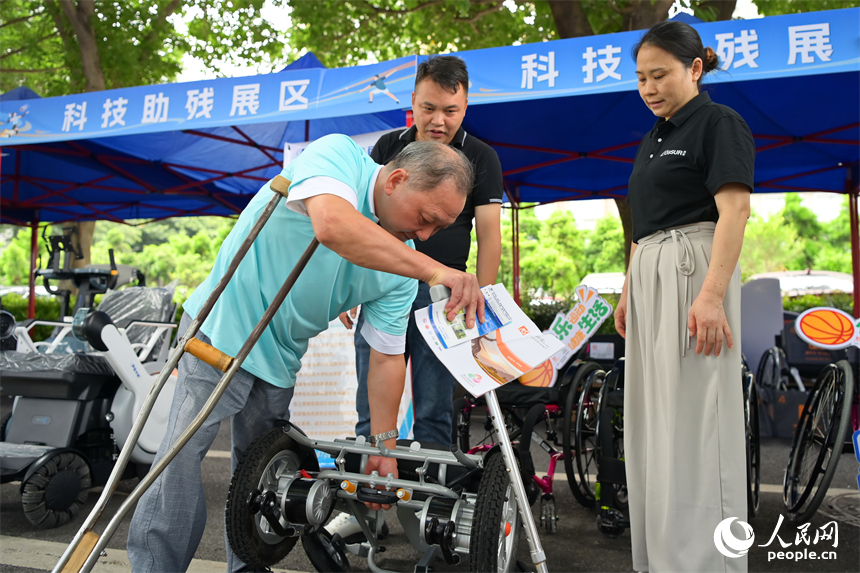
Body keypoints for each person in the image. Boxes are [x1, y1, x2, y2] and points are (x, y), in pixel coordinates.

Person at [126, 134, 483, 573]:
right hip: (221, 331)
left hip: (280, 358)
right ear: (396, 179)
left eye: (439, 230)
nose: (426, 235)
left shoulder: (400, 268)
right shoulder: (338, 157)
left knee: (259, 480)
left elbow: (386, 357)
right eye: (426, 217)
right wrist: (435, 270)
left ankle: (248, 569)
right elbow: (331, 224)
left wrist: (383, 446)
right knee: (178, 460)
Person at [614, 20, 755, 573]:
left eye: (660, 75)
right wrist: (629, 290)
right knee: (653, 422)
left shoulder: (719, 123)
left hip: (694, 272)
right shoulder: (656, 134)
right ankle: (664, 557)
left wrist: (712, 295)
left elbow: (735, 211)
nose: (648, 88)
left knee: (699, 422)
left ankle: (708, 562)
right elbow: (641, 226)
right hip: (650, 273)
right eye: (641, 78)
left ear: (695, 69)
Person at [343, 55, 503, 447]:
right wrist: (348, 282)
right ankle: (372, 485)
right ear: (412, 101)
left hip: (443, 295)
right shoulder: (388, 146)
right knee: (372, 404)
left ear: (465, 106)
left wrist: (478, 302)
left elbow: (489, 235)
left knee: (434, 408)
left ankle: (430, 501)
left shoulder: (481, 157)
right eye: (428, 108)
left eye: (451, 111)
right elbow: (359, 220)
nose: (438, 121)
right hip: (381, 282)